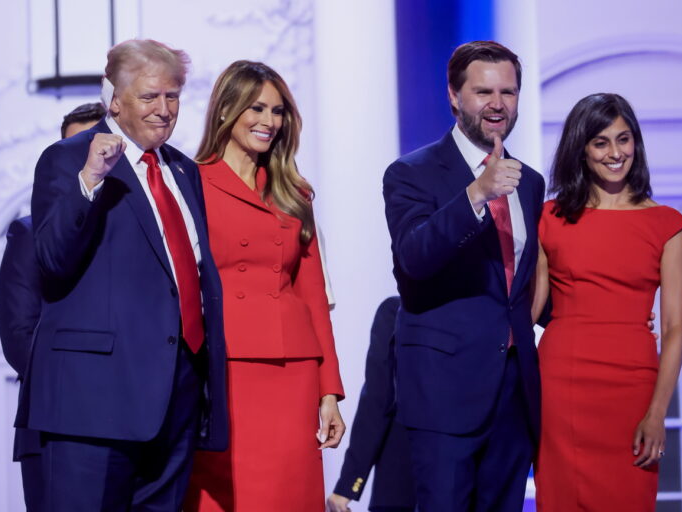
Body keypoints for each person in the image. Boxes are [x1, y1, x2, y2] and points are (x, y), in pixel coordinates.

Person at [20, 39, 228, 510]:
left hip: (176, 398)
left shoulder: (183, 171)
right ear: (115, 99)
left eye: (172, 96)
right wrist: (90, 180)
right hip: (94, 405)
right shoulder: (68, 158)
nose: (164, 109)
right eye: (149, 96)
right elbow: (52, 259)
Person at [382, 40, 544, 511]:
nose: (497, 104)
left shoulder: (529, 181)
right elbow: (414, 258)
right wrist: (476, 193)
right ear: (454, 95)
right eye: (483, 92)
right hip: (443, 393)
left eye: (508, 93)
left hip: (513, 393)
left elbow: (522, 285)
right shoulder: (410, 173)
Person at [183, 60, 345, 512]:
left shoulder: (293, 191)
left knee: (288, 495)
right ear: (224, 111)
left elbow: (313, 298)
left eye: (278, 111)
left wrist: (329, 392)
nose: (269, 121)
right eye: (256, 108)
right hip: (225, 369)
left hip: (292, 371)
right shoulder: (190, 182)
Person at [531, 93, 682, 511]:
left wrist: (657, 413)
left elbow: (674, 329)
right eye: (601, 142)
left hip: (633, 386)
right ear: (581, 149)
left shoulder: (667, 225)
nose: (616, 153)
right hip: (562, 383)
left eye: (624, 139)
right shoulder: (549, 217)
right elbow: (528, 309)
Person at [0, 101, 106, 511]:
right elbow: (18, 335)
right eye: (74, 148)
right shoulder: (27, 232)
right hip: (53, 423)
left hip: (137, 426)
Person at [327, 296, 416, 512]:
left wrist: (347, 486)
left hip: (400, 481)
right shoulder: (486, 318)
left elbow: (377, 400)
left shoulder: (398, 311)